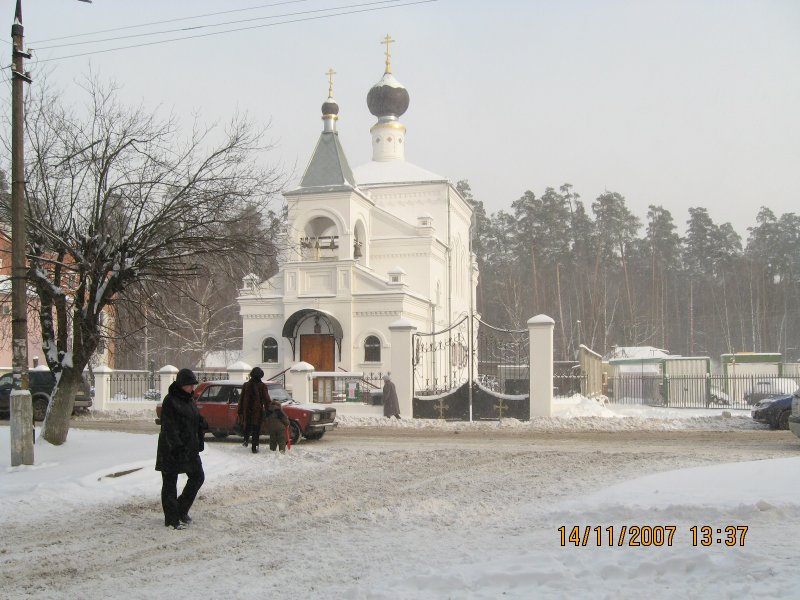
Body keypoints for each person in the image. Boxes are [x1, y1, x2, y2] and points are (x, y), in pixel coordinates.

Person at [155, 368, 207, 530]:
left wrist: (201, 424)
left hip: (189, 448)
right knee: (170, 483)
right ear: (181, 385)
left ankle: (181, 510)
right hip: (172, 449)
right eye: (190, 385)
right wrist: (176, 447)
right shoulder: (170, 401)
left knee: (198, 477)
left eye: (193, 385)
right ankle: (171, 519)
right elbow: (170, 427)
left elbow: (192, 419)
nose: (192, 388)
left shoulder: (189, 400)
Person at [238, 366, 270, 453]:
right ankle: (254, 447)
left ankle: (246, 439)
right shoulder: (262, 386)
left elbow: (241, 399)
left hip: (247, 410)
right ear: (260, 376)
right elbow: (266, 400)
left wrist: (240, 410)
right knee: (256, 429)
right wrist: (269, 410)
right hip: (257, 411)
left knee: (247, 426)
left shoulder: (246, 385)